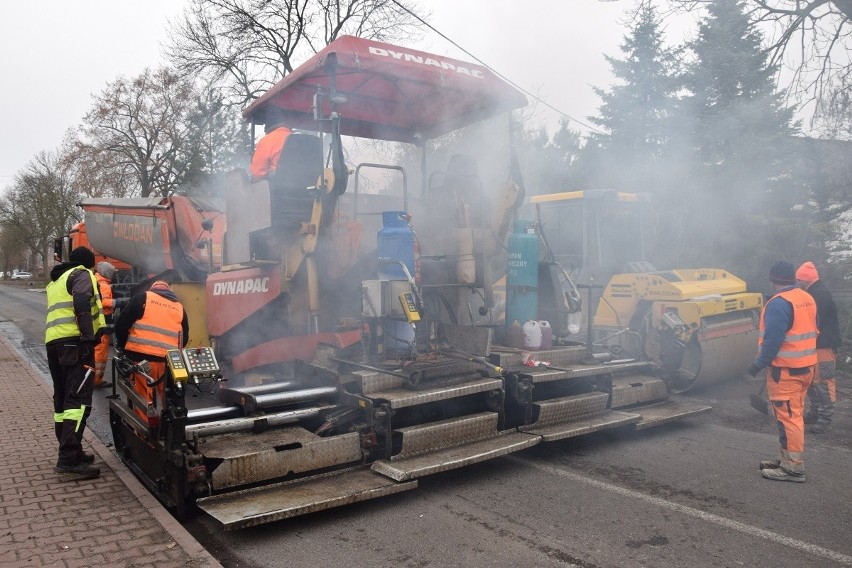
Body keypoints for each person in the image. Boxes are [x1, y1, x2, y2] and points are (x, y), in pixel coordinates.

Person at [748, 260, 818, 483]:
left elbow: (772, 341)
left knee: (789, 418)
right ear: (794, 278)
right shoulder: (806, 298)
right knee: (791, 415)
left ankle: (793, 468)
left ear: (772, 279)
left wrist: (757, 365)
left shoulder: (779, 303)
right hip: (806, 368)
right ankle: (785, 459)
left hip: (786, 371)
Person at [45, 246, 106, 480]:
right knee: (78, 400)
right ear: (90, 263)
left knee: (62, 398)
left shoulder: (56, 281)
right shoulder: (82, 274)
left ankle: (71, 450)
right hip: (75, 344)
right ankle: (69, 459)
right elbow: (81, 299)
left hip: (55, 343)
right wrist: (88, 338)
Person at [114, 280, 188, 425]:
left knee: (143, 399)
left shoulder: (142, 298)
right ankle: (168, 430)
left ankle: (146, 437)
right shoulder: (179, 307)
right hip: (167, 361)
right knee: (165, 399)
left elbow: (122, 324)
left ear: (153, 289)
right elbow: (184, 338)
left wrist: (122, 346)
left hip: (140, 359)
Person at [796, 261, 841, 434]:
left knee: (823, 382)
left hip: (823, 346)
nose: (796, 283)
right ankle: (815, 414)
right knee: (812, 381)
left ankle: (825, 419)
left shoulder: (818, 295)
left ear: (804, 280)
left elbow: (813, 321)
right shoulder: (814, 292)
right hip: (815, 345)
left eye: (798, 279)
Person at [93, 261, 118, 388]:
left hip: (101, 323)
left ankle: (96, 379)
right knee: (100, 352)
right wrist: (118, 302)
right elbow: (103, 302)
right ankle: (95, 380)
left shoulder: (99, 282)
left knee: (101, 351)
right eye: (112, 273)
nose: (113, 275)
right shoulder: (102, 285)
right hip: (102, 324)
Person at [249, 107, 292, 181]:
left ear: (268, 128)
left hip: (279, 188)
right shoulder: (297, 139)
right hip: (307, 187)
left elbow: (258, 173)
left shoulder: (267, 140)